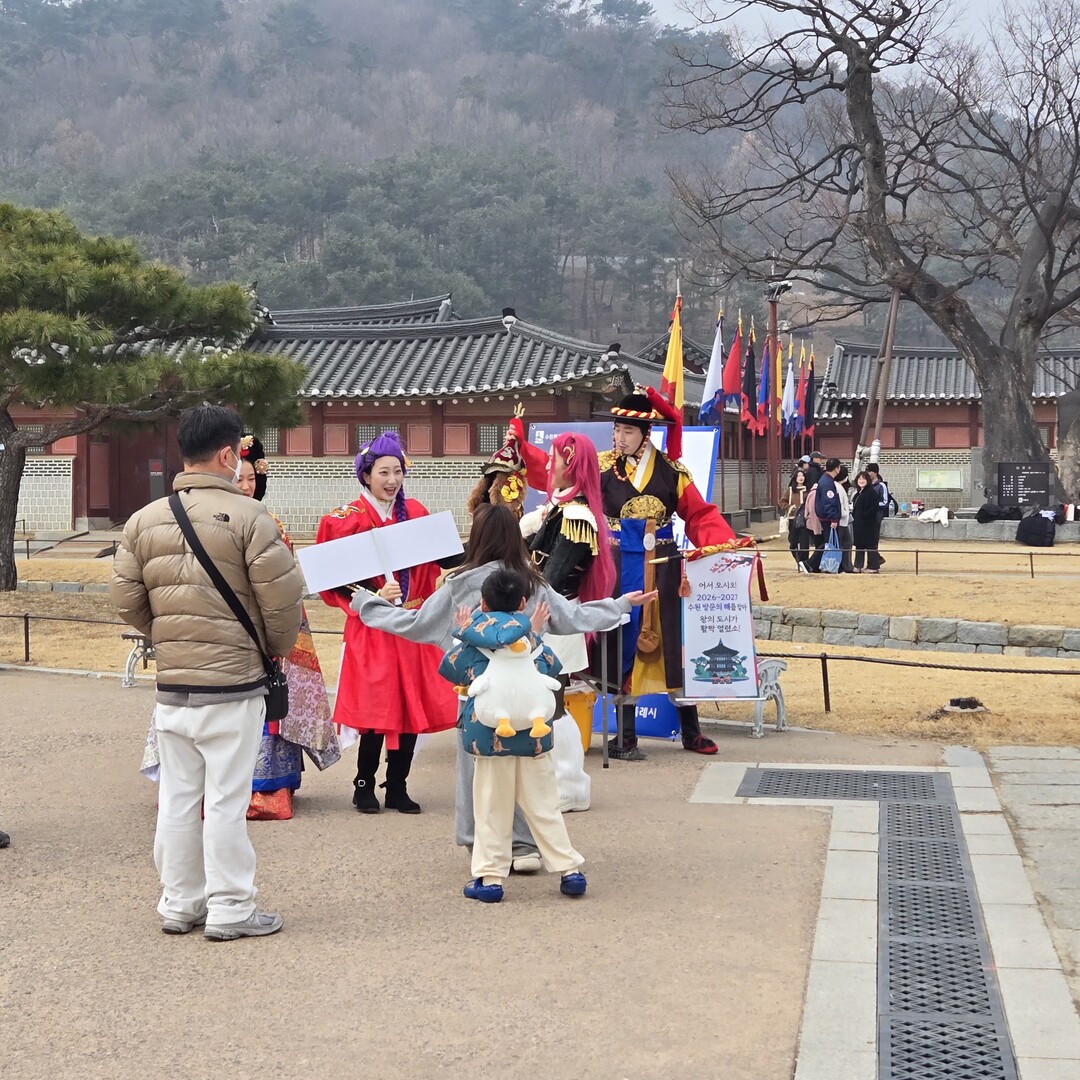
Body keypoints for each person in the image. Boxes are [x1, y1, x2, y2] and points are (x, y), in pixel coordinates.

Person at [353, 503, 654, 865]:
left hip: (477, 699)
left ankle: (481, 846)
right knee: (527, 772)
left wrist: (367, 605)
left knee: (477, 774)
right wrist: (620, 605)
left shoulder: (458, 586)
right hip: (527, 696)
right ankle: (525, 846)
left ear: (477, 538)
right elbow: (573, 617)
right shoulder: (533, 583)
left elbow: (414, 624)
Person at [111, 405, 304, 940]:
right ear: (226, 454)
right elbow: (283, 604)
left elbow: (125, 599)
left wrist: (167, 635)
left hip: (174, 687)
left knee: (178, 798)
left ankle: (180, 901)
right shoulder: (252, 518)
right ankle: (231, 906)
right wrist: (270, 649)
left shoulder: (144, 520)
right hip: (233, 684)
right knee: (225, 801)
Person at [139, 435, 341, 820]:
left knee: (254, 710)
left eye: (252, 479)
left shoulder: (269, 523)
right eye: (239, 479)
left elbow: (282, 589)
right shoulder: (209, 518)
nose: (246, 486)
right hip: (211, 631)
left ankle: (264, 788)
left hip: (254, 636)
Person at [315, 431, 458, 815]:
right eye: (383, 472)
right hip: (373, 626)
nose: (392, 480)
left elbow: (446, 557)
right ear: (366, 475)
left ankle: (397, 785)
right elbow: (331, 579)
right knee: (375, 707)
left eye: (397, 471)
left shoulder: (418, 514)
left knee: (410, 705)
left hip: (412, 623)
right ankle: (363, 784)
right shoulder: (344, 520)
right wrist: (372, 595)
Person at [598, 387, 737, 760]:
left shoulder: (672, 471)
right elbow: (566, 489)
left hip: (665, 567)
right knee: (623, 643)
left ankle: (691, 732)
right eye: (616, 429)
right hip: (619, 566)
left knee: (673, 645)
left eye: (628, 431)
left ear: (646, 434)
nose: (619, 437)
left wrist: (723, 543)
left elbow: (699, 514)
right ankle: (625, 736)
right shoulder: (600, 466)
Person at [439, 568, 587, 903]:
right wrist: (532, 632)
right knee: (544, 805)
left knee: (491, 806)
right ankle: (570, 871)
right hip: (534, 735)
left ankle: (490, 879)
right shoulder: (532, 639)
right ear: (522, 603)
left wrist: (464, 631)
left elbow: (451, 669)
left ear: (483, 604)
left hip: (489, 736)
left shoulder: (473, 639)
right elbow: (552, 667)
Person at [520, 429, 615, 812]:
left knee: (554, 706)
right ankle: (558, 783)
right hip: (544, 617)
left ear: (570, 465)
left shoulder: (576, 517)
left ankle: (569, 785)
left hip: (553, 620)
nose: (547, 464)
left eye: (553, 458)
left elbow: (551, 579)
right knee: (545, 704)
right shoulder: (559, 510)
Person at [808, 458, 843, 572]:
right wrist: (833, 518)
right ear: (837, 469)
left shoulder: (824, 479)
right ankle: (810, 564)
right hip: (828, 518)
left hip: (825, 516)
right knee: (828, 543)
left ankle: (816, 565)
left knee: (828, 542)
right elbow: (829, 502)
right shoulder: (828, 483)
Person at [780, 467, 811, 573]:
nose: (801, 478)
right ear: (795, 478)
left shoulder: (808, 490)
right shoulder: (790, 490)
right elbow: (781, 502)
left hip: (805, 520)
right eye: (798, 476)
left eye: (802, 476)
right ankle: (799, 561)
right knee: (793, 543)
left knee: (804, 543)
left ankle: (804, 563)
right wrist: (790, 507)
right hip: (793, 519)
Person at [852, 470, 882, 572]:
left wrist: (864, 515)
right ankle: (858, 565)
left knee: (870, 545)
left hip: (869, 524)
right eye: (859, 479)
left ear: (868, 480)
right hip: (859, 524)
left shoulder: (871, 492)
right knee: (859, 545)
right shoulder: (858, 493)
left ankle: (873, 566)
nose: (861, 481)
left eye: (863, 479)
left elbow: (874, 507)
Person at [835, 464, 855, 574]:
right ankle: (844, 565)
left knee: (845, 542)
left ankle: (845, 565)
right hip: (843, 519)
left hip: (843, 519)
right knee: (846, 542)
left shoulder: (841, 487)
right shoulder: (840, 487)